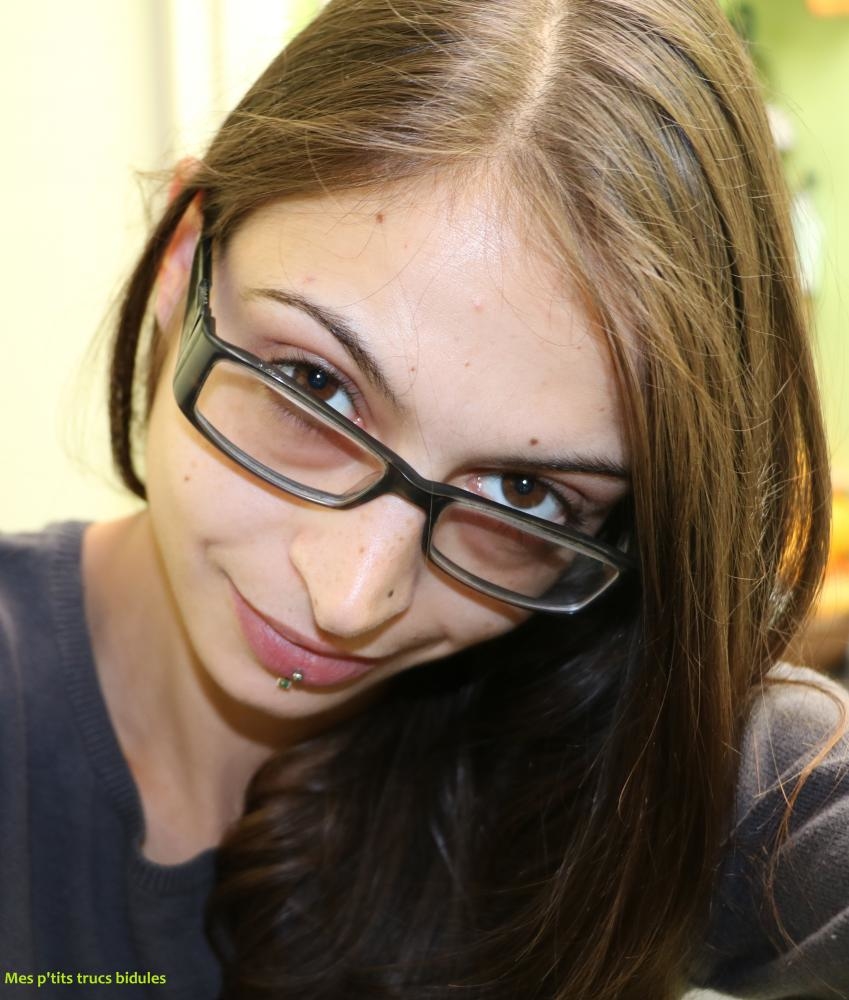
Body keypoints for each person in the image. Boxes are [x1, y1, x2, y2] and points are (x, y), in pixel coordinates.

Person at [2, 1, 848, 997]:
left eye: (525, 492)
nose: (351, 599)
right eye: (314, 386)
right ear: (184, 256)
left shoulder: (651, 751)